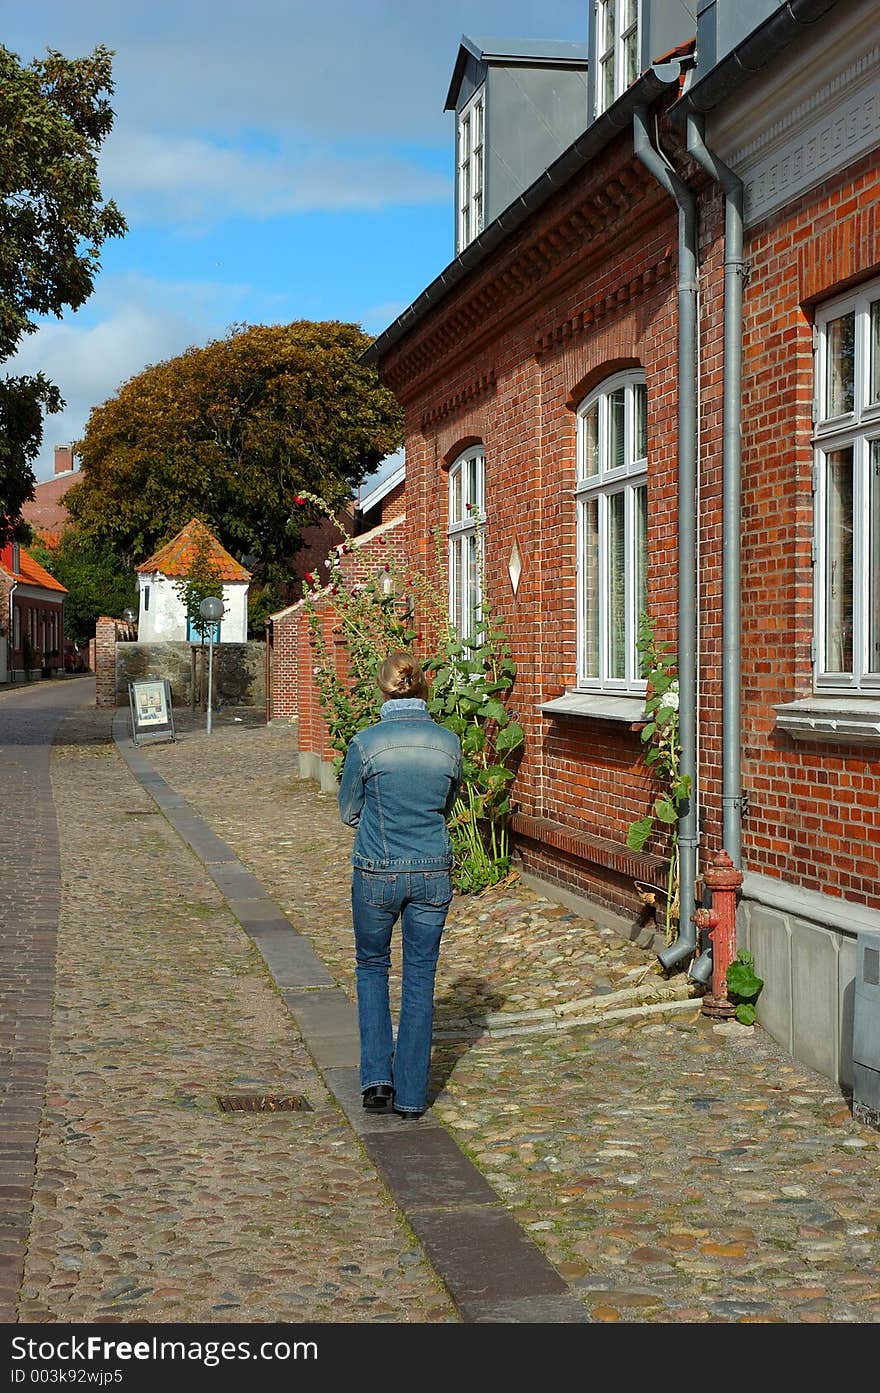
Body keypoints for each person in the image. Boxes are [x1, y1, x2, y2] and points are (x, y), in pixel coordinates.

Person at [338, 651, 462, 1119]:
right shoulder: (448, 743)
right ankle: (411, 1095)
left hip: (376, 872)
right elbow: (446, 803)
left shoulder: (366, 743)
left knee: (372, 966)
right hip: (432, 871)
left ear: (383, 689)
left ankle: (376, 1081)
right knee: (420, 974)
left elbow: (349, 809)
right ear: (422, 688)